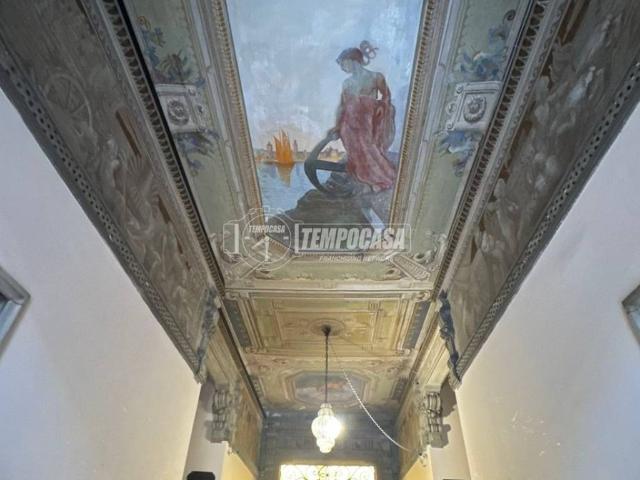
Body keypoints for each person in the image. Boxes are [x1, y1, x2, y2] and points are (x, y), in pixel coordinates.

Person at [328, 41, 397, 191]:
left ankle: (380, 178)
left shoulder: (376, 77)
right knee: (356, 152)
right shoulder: (347, 83)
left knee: (368, 146)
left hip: (367, 120)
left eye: (343, 63)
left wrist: (382, 108)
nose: (342, 68)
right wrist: (337, 126)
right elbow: (342, 106)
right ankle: (368, 180)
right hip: (348, 124)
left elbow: (386, 96)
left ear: (352, 60)